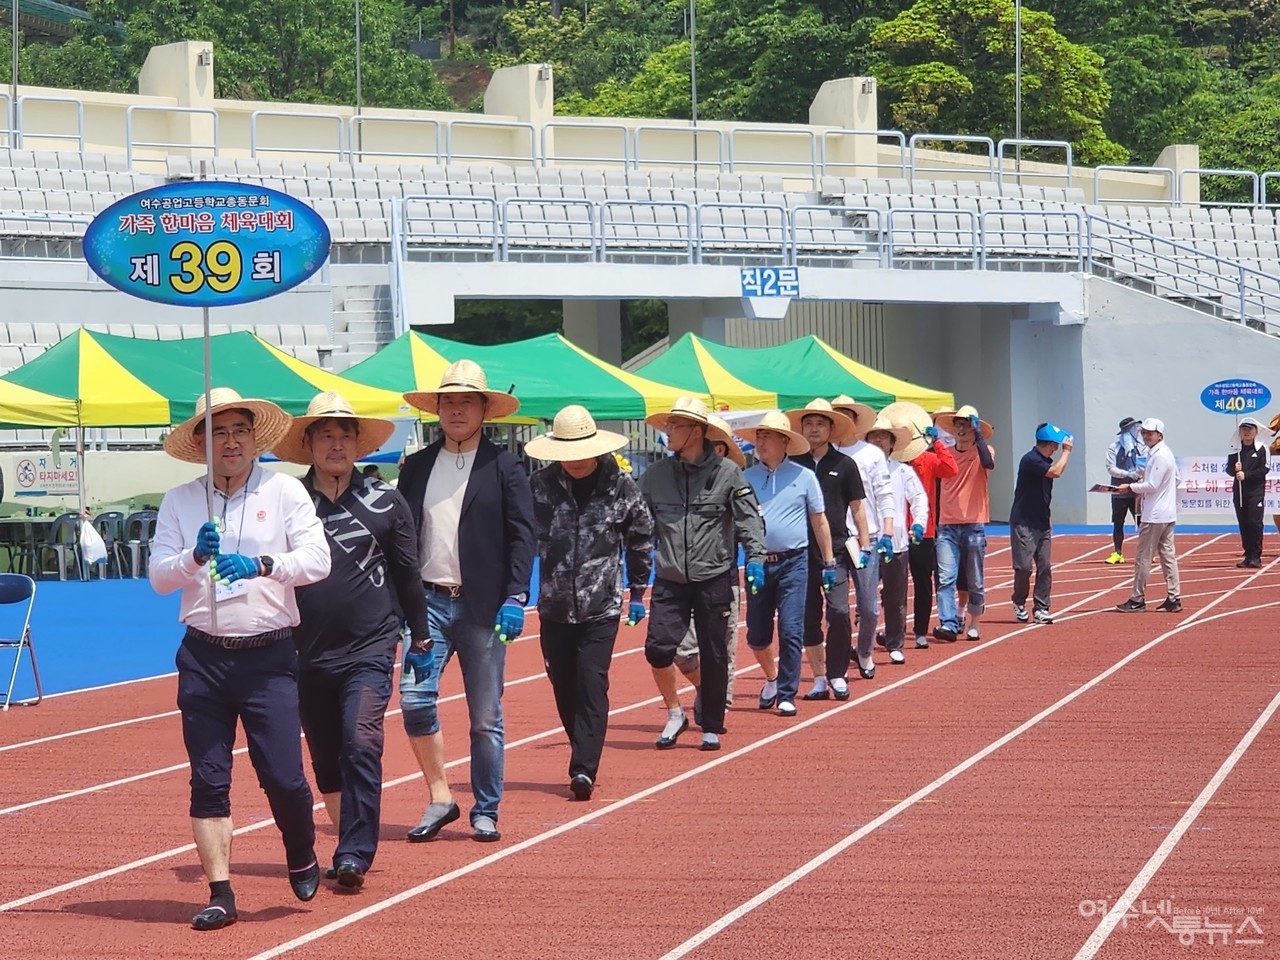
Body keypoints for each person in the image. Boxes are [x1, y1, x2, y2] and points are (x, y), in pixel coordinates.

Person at [149, 388, 331, 931]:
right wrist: (194, 556)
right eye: (218, 432)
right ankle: (220, 892)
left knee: (284, 777)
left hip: (268, 653)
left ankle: (300, 848)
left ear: (256, 439)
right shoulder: (180, 500)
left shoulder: (285, 493)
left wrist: (263, 564)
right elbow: (160, 577)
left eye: (239, 431)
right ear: (200, 443)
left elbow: (317, 560)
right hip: (203, 656)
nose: (230, 442)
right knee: (208, 779)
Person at [272, 391, 427, 890]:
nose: (336, 445)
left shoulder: (386, 500)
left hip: (371, 647)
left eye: (344, 436)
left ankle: (356, 852)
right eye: (326, 436)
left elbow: (407, 574)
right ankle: (346, 843)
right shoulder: (291, 503)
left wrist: (420, 635)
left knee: (361, 739)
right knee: (326, 756)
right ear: (309, 444)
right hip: (305, 652)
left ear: (358, 445)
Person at [396, 360, 536, 844]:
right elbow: (400, 539)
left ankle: (487, 808)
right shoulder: (414, 468)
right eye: (448, 401)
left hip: (483, 608)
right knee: (413, 701)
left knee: (485, 717)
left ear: (484, 410)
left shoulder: (505, 465)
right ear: (436, 409)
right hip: (425, 607)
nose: (456, 410)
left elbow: (523, 536)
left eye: (466, 401)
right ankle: (441, 797)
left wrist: (516, 596)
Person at [527, 406, 654, 800]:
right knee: (563, 684)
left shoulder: (621, 485)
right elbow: (518, 538)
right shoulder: (539, 485)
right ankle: (581, 745)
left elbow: (641, 539)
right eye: (568, 452)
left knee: (591, 680)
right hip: (553, 605)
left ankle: (583, 767)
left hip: (602, 605)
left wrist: (637, 592)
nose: (576, 460)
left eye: (582, 450)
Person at [640, 396, 766, 751]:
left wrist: (755, 557)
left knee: (714, 652)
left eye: (675, 426)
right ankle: (674, 712)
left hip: (714, 577)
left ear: (696, 432)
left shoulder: (728, 473)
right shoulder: (656, 475)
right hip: (669, 578)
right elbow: (633, 516)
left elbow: (748, 520)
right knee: (658, 650)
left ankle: (712, 723)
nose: (668, 432)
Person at [735, 411, 838, 717]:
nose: (761, 442)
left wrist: (829, 563)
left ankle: (786, 692)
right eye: (759, 437)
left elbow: (819, 522)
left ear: (784, 441)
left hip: (795, 562)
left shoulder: (804, 477)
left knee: (792, 628)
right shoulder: (745, 478)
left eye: (767, 437)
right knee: (757, 633)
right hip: (758, 564)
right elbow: (735, 521)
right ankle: (771, 677)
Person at [786, 398, 869, 700]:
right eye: (809, 423)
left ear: (832, 428)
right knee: (807, 616)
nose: (814, 429)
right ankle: (819, 677)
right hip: (800, 552)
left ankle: (838, 673)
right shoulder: (793, 465)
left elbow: (857, 508)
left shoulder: (845, 465)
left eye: (821, 423)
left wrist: (865, 541)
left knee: (838, 612)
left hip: (836, 551)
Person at [673, 414, 745, 716]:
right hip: (680, 581)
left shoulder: (733, 482)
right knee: (679, 648)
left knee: (721, 650)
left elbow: (751, 525)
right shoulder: (677, 482)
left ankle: (717, 707)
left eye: (719, 447)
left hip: (723, 579)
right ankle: (707, 687)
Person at [882, 402, 956, 649]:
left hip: (923, 532)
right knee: (894, 585)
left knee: (923, 582)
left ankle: (921, 630)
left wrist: (937, 443)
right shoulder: (889, 463)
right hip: (893, 532)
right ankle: (895, 630)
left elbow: (950, 468)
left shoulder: (928, 459)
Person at [832, 395, 896, 679]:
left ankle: (865, 650)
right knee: (836, 609)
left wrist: (888, 532)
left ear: (856, 422)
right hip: (833, 541)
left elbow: (884, 495)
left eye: (848, 416)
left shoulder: (871, 454)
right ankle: (837, 661)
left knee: (869, 607)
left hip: (864, 540)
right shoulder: (822, 456)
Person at [863, 415, 927, 664]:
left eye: (883, 436)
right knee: (865, 599)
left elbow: (919, 499)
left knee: (895, 597)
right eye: (873, 435)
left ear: (892, 442)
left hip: (896, 542)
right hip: (865, 541)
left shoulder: (902, 471)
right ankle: (863, 644)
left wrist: (919, 522)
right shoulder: (858, 468)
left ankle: (894, 643)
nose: (878, 440)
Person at [933, 405, 996, 641]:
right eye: (958, 424)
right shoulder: (945, 452)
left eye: (966, 424)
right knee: (946, 578)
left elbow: (988, 463)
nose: (961, 428)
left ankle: (974, 622)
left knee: (975, 579)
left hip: (974, 523)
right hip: (947, 524)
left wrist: (979, 434)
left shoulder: (984, 450)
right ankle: (949, 623)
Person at [1008, 423, 1073, 625]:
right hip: (1024, 522)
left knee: (1044, 567)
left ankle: (1041, 608)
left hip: (1042, 522)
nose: (1058, 447)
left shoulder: (1045, 460)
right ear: (1052, 444)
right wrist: (1067, 452)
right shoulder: (1031, 460)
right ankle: (1019, 601)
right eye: (1056, 443)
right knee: (1024, 567)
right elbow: (1056, 472)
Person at [1115, 418, 1181, 613]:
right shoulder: (1161, 453)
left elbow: (1152, 486)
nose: (1146, 435)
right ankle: (1173, 596)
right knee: (1168, 556)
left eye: (1150, 433)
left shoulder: (1160, 455)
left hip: (1154, 515)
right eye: (1143, 432)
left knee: (1143, 557)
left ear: (1160, 434)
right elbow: (1176, 479)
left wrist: (1130, 486)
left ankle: (1137, 599)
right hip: (1165, 513)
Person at [1104, 417, 1147, 564]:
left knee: (1142, 522)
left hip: (1137, 491)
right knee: (1118, 522)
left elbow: (1146, 463)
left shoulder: (1142, 447)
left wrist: (1140, 474)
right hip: (1119, 492)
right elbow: (1111, 468)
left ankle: (1147, 552)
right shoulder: (1113, 447)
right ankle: (1118, 552)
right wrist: (1128, 474)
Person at [1228, 416, 1269, 568]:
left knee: (1254, 523)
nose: (1246, 432)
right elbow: (1229, 469)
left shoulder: (1261, 449)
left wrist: (1247, 475)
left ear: (1255, 431)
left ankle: (1256, 556)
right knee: (1244, 523)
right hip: (1239, 493)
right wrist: (1234, 470)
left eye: (1249, 429)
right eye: (1243, 429)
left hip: (1255, 492)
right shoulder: (1236, 450)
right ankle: (1248, 555)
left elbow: (1264, 469)